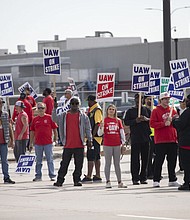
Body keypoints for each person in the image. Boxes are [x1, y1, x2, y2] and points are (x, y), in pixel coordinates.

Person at [53, 97, 92, 187]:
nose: (74, 105)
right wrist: (54, 108)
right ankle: (60, 180)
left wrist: (90, 140)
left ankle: (77, 180)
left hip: (79, 144)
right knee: (64, 164)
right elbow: (54, 120)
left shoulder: (83, 116)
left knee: (79, 164)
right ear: (70, 104)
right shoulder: (64, 115)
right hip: (68, 144)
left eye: (76, 104)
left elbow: (88, 128)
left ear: (79, 105)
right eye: (73, 103)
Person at [150, 92, 179, 188]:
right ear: (160, 100)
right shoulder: (156, 111)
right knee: (159, 160)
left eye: (168, 99)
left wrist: (174, 120)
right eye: (165, 99)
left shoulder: (172, 110)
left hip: (172, 139)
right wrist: (163, 124)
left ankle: (172, 179)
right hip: (160, 140)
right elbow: (152, 124)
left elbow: (177, 123)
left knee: (172, 160)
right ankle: (156, 179)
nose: (167, 101)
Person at [124, 93, 151, 185]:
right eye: (137, 98)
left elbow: (152, 120)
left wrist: (146, 119)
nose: (139, 100)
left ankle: (143, 177)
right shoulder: (130, 111)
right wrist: (135, 121)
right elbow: (126, 122)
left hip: (146, 137)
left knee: (145, 158)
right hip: (135, 137)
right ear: (134, 99)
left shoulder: (147, 110)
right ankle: (135, 178)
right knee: (135, 158)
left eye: (142, 98)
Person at [98, 104, 127, 188]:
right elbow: (100, 134)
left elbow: (121, 132)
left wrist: (123, 143)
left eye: (113, 109)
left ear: (115, 111)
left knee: (117, 163)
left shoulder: (118, 121)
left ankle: (119, 181)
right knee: (108, 163)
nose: (111, 111)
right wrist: (101, 127)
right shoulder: (104, 120)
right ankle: (107, 181)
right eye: (110, 109)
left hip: (117, 144)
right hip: (107, 144)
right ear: (107, 110)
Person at [29, 102, 58, 181]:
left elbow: (54, 128)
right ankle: (38, 176)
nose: (40, 110)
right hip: (38, 143)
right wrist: (31, 143)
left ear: (45, 109)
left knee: (50, 159)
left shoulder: (49, 118)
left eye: (42, 108)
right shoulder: (35, 120)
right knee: (38, 160)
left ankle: (52, 175)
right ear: (37, 110)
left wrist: (55, 138)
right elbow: (32, 131)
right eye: (39, 108)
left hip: (48, 142)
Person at [82, 95, 103, 183]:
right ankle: (97, 175)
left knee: (91, 156)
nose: (88, 103)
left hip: (94, 138)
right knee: (96, 156)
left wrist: (91, 137)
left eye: (89, 101)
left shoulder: (96, 110)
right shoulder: (92, 110)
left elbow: (97, 124)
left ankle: (89, 175)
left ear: (92, 101)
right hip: (93, 138)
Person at [172, 95, 190, 190]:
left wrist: (174, 120)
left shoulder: (187, 112)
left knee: (186, 164)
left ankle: (187, 182)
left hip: (186, 143)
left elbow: (181, 124)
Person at [0, 98, 15, 184]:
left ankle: (6, 177)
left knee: (5, 160)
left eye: (1, 103)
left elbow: (9, 127)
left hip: (4, 141)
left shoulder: (5, 114)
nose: (0, 105)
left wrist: (12, 139)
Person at [143, 95, 155, 179]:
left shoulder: (155, 109)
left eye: (151, 99)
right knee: (148, 155)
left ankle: (154, 171)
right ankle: (148, 172)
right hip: (147, 134)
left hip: (156, 134)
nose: (149, 101)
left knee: (158, 155)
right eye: (148, 99)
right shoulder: (142, 109)